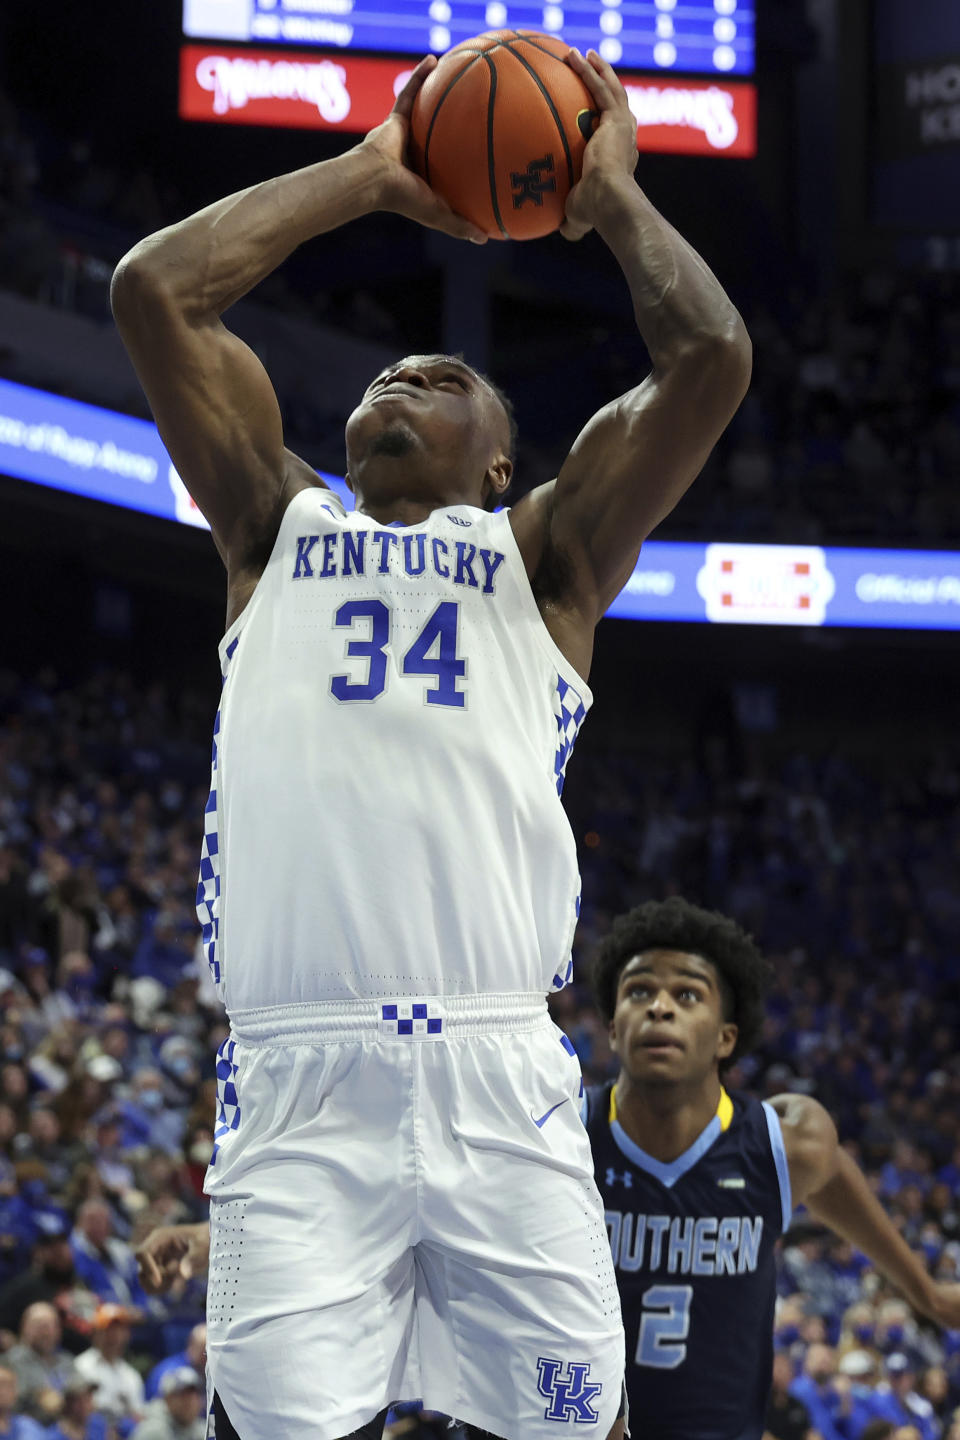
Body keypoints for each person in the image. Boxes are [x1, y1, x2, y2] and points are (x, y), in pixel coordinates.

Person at [110, 41, 751, 1440]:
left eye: (443, 375)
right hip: (299, 1069)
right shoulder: (276, 527)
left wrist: (613, 194)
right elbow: (156, 289)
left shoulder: (552, 555)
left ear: (502, 461)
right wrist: (371, 174)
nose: (402, 377)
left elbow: (708, 358)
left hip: (495, 1067)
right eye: (387, 371)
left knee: (578, 1425)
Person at [587, 897, 960, 1440]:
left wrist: (924, 1292)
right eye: (638, 990)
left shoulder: (784, 1144)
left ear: (726, 1036)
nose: (659, 1007)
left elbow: (831, 1172)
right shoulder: (566, 1137)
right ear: (614, 1028)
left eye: (687, 993)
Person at [72, 1307, 144, 1433]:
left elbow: (138, 1416)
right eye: (108, 1330)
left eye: (119, 1330)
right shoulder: (81, 1366)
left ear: (127, 1335)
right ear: (96, 1333)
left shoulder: (131, 1375)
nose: (114, 1336)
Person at [3, 1303, 75, 1417]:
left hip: (68, 1428)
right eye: (41, 1327)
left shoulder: (67, 1361)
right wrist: (37, 1397)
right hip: (30, 1425)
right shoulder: (10, 1362)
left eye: (52, 1326)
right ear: (24, 1328)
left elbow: (82, 1392)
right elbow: (11, 1401)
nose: (47, 1333)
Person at [129, 1370, 205, 1440]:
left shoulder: (203, 1430)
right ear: (168, 1399)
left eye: (195, 1396)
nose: (191, 1402)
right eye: (183, 1396)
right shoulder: (153, 1430)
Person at [144, 1327, 205, 1403]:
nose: (206, 1358)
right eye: (203, 1351)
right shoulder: (169, 1370)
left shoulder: (203, 1370)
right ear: (192, 1345)